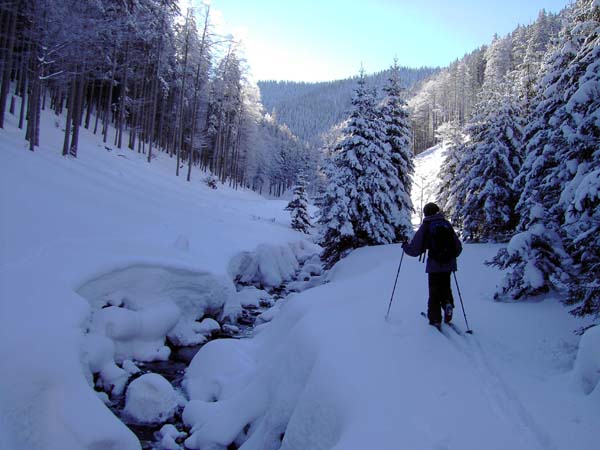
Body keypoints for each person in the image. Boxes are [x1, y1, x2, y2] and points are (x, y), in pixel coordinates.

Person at [402, 202, 462, 328]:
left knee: (434, 291)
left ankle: (435, 319)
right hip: (449, 265)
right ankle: (447, 304)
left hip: (434, 265)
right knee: (446, 287)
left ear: (426, 213)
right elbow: (458, 248)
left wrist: (405, 246)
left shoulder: (426, 225)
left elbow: (415, 249)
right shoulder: (446, 224)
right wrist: (449, 257)